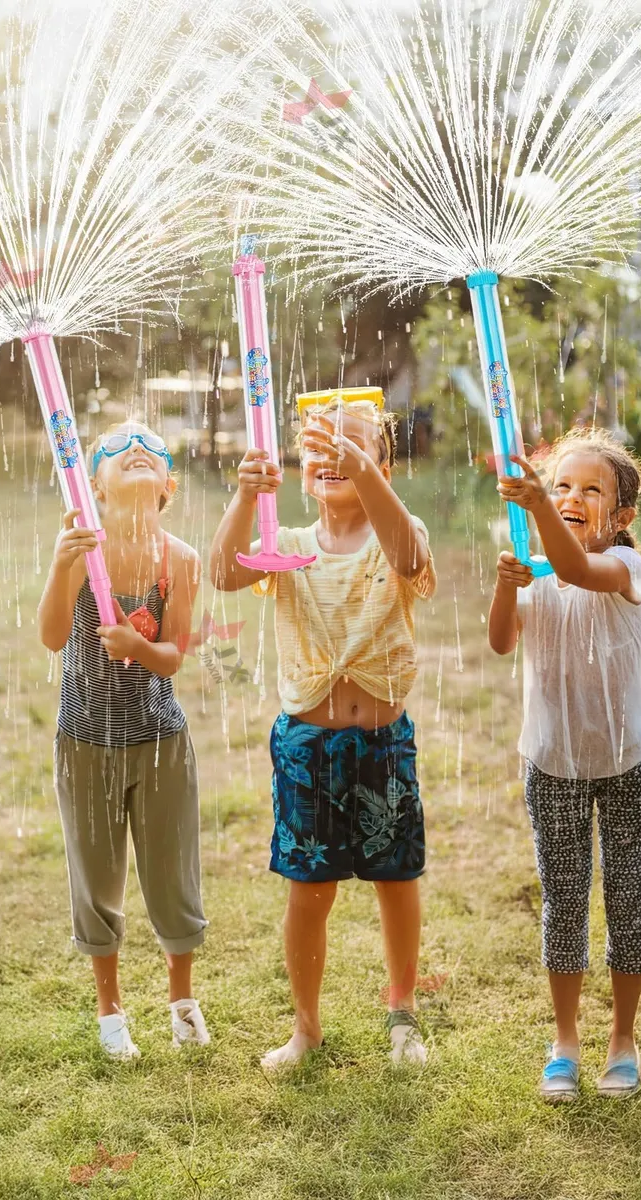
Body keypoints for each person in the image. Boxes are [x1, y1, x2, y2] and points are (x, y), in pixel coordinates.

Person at [210, 387, 435, 1071]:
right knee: (309, 891)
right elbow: (222, 574)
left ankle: (402, 1013)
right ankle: (305, 1027)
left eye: (353, 442)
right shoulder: (287, 547)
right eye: (318, 445)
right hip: (306, 745)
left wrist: (362, 470)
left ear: (384, 470)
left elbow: (407, 559)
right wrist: (246, 497)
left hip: (381, 744)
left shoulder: (400, 531)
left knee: (397, 882)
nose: (332, 453)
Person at [488, 427, 641, 1103]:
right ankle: (564, 1041)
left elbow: (579, 572)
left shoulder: (624, 570)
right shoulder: (536, 568)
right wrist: (507, 584)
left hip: (627, 763)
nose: (571, 496)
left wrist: (534, 509)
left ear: (621, 517)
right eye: (561, 485)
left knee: (627, 901)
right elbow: (502, 642)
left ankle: (623, 1037)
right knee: (564, 905)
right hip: (553, 764)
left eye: (592, 490)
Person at [37, 418, 209, 1060]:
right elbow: (54, 636)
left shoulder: (180, 560)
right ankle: (111, 1011)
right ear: (93, 489)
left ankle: (181, 1000)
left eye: (149, 448)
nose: (134, 447)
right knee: (97, 874)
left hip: (160, 741)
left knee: (172, 875)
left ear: (167, 484)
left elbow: (172, 656)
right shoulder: (82, 552)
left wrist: (139, 646)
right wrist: (62, 566)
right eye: (116, 448)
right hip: (86, 741)